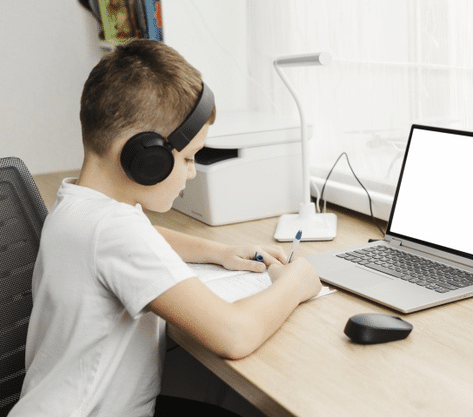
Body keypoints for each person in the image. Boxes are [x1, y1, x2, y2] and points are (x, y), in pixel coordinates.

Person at [9, 39, 321, 417]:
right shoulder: (113, 229)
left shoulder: (80, 203)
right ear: (145, 156)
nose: (191, 172)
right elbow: (234, 334)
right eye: (188, 158)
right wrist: (296, 281)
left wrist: (218, 252)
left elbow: (142, 236)